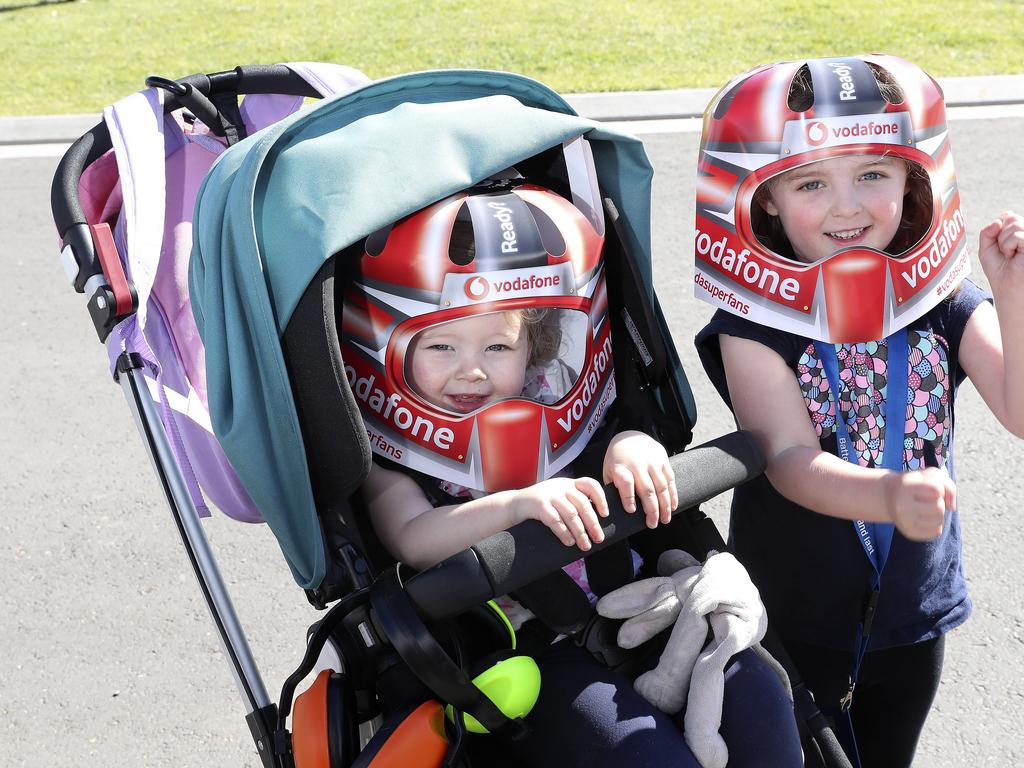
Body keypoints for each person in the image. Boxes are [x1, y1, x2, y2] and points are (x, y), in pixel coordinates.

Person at [341, 142, 804, 767]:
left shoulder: (562, 400)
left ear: (533, 346)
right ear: (385, 344)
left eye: (496, 349)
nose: (471, 371)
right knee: (638, 753)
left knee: (761, 700)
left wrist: (631, 444)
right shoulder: (392, 453)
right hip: (523, 648)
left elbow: (612, 433)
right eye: (441, 347)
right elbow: (415, 540)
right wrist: (518, 506)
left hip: (640, 601)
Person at [693, 54, 1024, 768]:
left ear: (915, 180)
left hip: (914, 613)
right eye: (812, 181)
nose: (848, 206)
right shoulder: (752, 322)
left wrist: (1013, 293)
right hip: (792, 614)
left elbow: (1019, 408)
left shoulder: (944, 299)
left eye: (873, 173)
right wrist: (886, 494)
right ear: (767, 199)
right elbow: (785, 458)